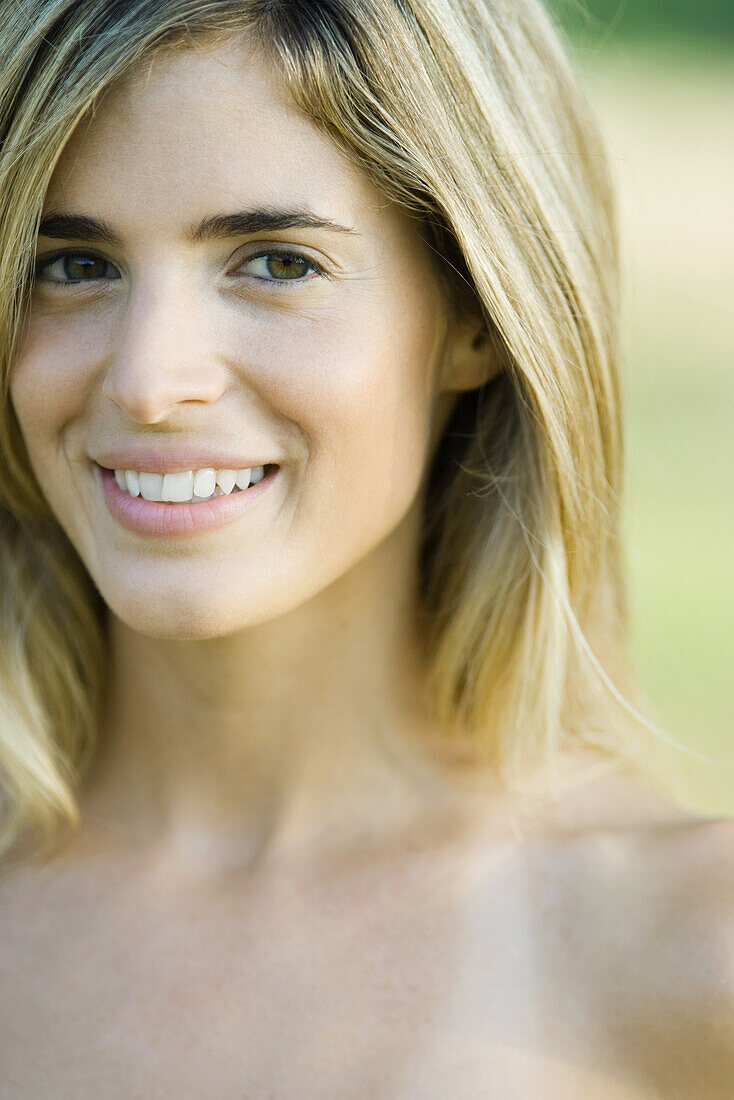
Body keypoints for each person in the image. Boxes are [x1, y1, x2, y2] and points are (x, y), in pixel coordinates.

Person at [0, 0, 731, 1095]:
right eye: (73, 264)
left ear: (476, 313)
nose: (149, 380)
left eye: (275, 262)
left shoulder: (688, 948)